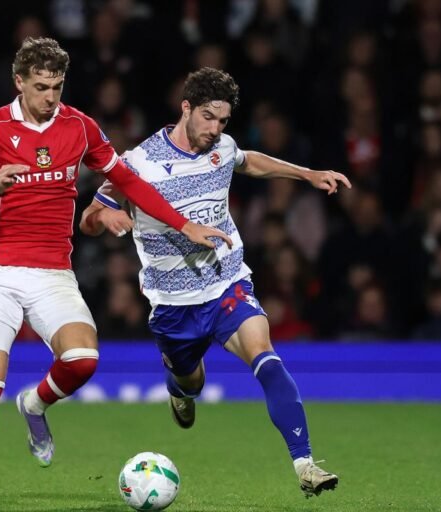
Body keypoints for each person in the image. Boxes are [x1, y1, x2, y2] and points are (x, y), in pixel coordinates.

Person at [0, 39, 231, 507]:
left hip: (53, 272)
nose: (50, 97)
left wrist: (184, 224)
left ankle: (35, 404)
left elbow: (129, 181)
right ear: (19, 82)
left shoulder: (79, 128)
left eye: (57, 86)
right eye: (41, 87)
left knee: (82, 360)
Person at [80, 68, 351, 498]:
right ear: (185, 108)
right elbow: (88, 219)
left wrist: (308, 174)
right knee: (192, 383)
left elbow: (248, 161)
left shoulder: (221, 147)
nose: (215, 129)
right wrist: (106, 216)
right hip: (174, 303)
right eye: (207, 117)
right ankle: (180, 390)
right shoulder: (140, 162)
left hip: (227, 283)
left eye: (222, 121)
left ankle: (305, 463)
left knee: (264, 352)